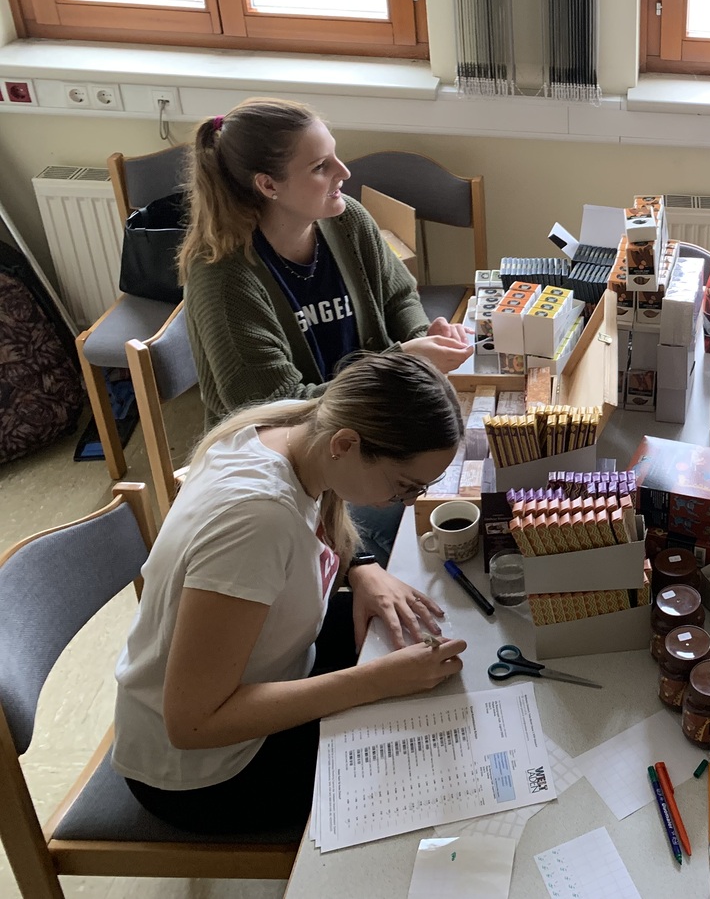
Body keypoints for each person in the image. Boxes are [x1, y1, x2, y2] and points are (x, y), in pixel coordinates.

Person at [112, 352, 467, 834]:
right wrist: (373, 682)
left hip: (269, 670)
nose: (401, 504)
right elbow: (191, 723)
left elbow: (313, 526)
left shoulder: (295, 429)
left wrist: (361, 566)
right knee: (422, 778)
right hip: (205, 772)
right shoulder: (257, 520)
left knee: (421, 654)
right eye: (404, 487)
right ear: (346, 443)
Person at [179, 97, 471, 563]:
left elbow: (398, 297)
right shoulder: (225, 279)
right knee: (422, 534)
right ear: (268, 185)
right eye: (320, 166)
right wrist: (404, 360)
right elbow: (279, 413)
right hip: (297, 466)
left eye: (335, 155)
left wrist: (422, 337)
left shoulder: (346, 220)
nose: (344, 172)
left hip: (358, 437)